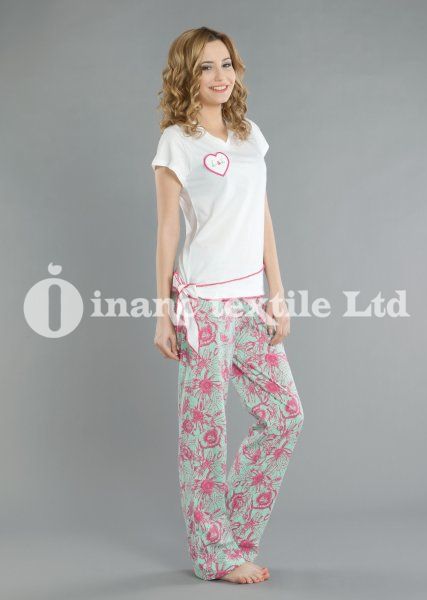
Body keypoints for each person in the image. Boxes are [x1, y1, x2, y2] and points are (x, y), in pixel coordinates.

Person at [151, 26, 304, 584]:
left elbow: (261, 216)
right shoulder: (177, 141)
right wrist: (163, 311)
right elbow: (168, 229)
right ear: (186, 76)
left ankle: (228, 539)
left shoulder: (249, 136)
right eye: (206, 67)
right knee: (205, 432)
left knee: (284, 416)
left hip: (249, 300)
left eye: (226, 65)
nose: (221, 77)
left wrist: (276, 293)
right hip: (202, 305)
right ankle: (215, 554)